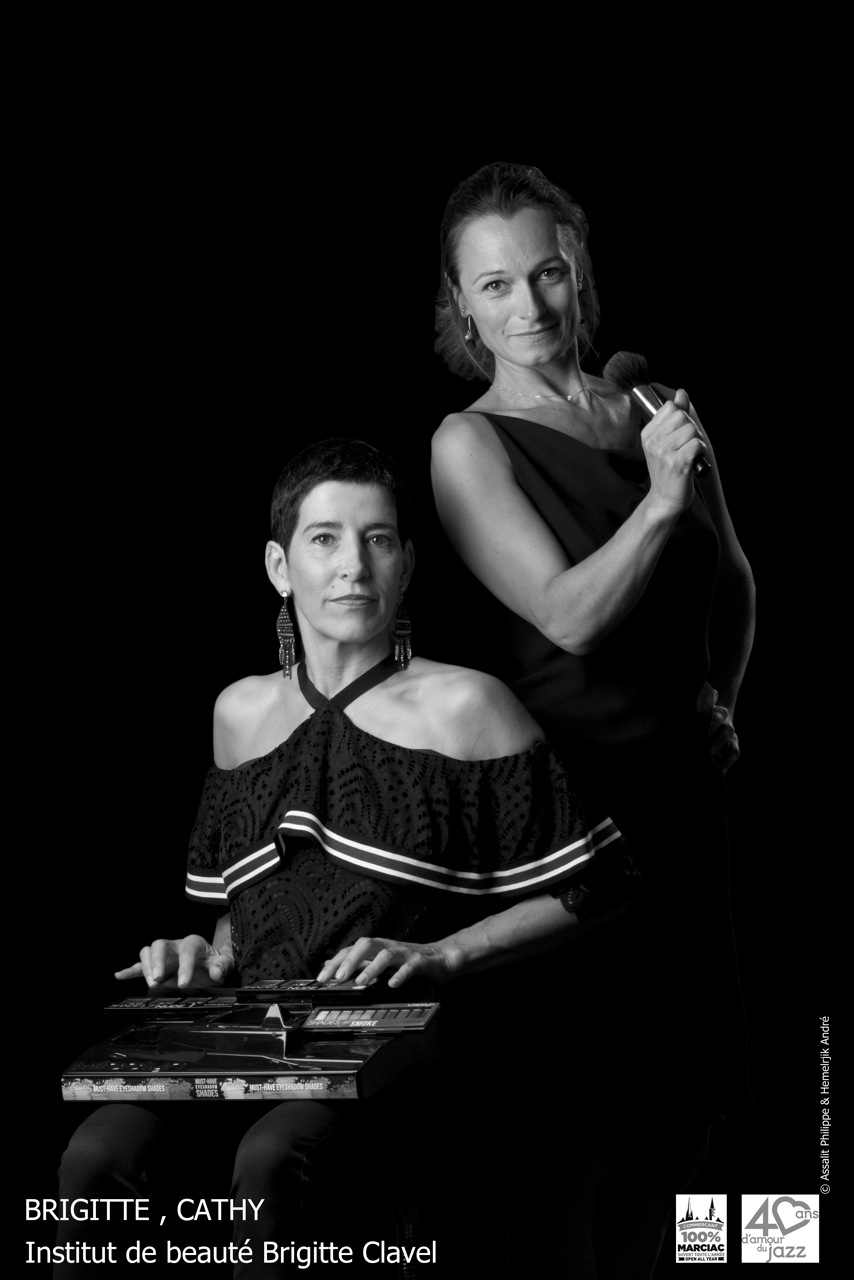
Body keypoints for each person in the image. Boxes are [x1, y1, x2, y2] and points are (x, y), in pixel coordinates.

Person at [56, 438, 631, 1279]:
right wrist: (208, 957)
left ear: (407, 565)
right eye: (324, 539)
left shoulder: (468, 704)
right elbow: (245, 912)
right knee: (96, 1155)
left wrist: (444, 954)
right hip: (254, 1038)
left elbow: (600, 886)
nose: (353, 565)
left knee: (273, 1157)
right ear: (279, 567)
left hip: (404, 1040)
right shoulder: (237, 713)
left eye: (379, 539)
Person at [431, 161, 756, 1278]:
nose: (527, 305)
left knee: (687, 1115)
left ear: (579, 271)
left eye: (547, 273)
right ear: (461, 305)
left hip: (684, 804)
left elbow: (734, 581)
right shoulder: (468, 443)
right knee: (580, 1130)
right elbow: (568, 616)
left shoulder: (655, 410)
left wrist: (720, 699)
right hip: (573, 820)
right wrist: (659, 500)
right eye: (494, 285)